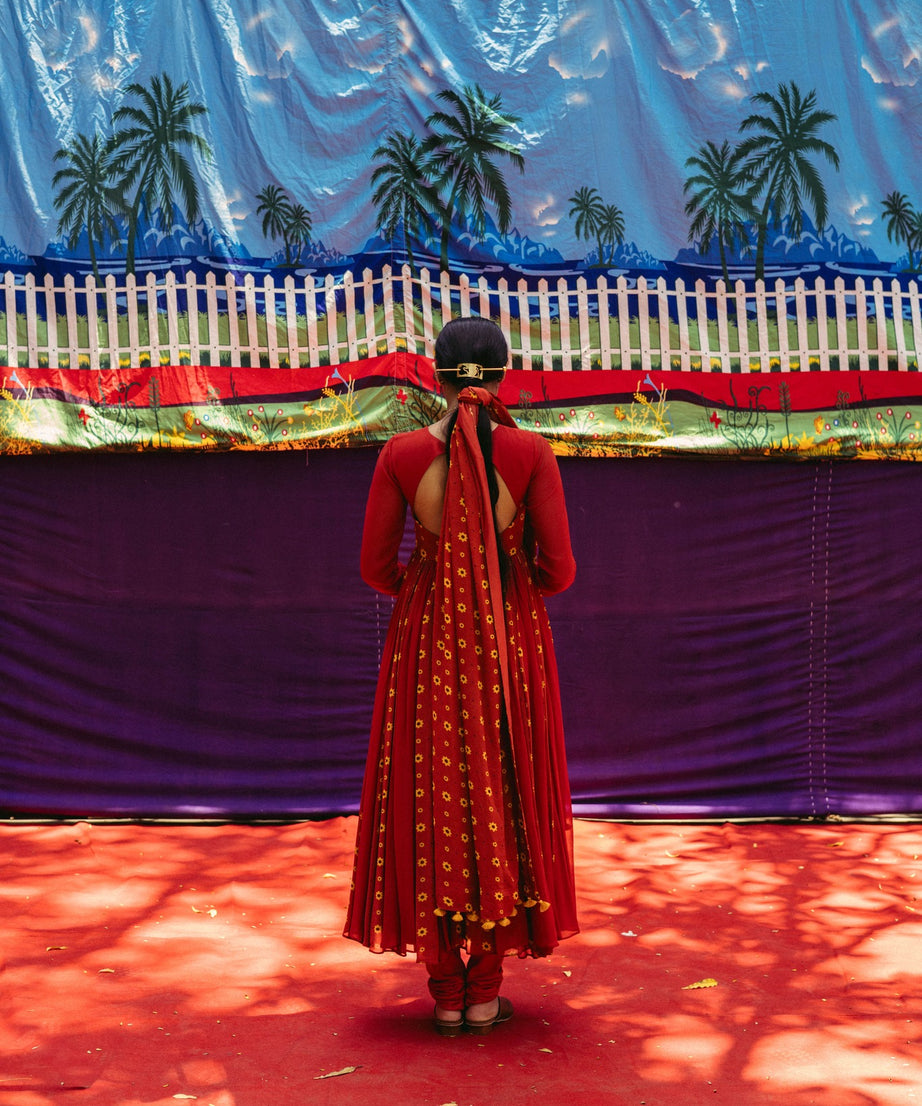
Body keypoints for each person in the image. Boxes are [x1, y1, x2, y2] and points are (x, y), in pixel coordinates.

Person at [344, 315, 578, 1036]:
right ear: (504, 375)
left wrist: (432, 585)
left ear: (435, 377)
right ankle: (485, 991)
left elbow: (374, 567)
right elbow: (560, 571)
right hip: (510, 639)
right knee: (507, 784)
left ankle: (445, 992)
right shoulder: (531, 451)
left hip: (428, 640)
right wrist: (505, 584)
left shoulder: (403, 454)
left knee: (432, 787)